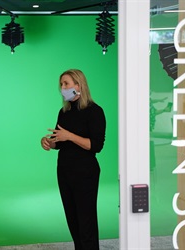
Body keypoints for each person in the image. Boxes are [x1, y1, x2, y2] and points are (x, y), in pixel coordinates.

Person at [40, 69, 106, 250]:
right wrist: (48, 142)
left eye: (66, 84)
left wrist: (69, 135)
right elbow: (58, 142)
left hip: (85, 173)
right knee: (72, 219)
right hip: (65, 171)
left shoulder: (95, 111)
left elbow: (96, 146)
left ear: (78, 85)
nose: (62, 88)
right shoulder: (64, 112)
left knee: (86, 221)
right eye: (61, 84)